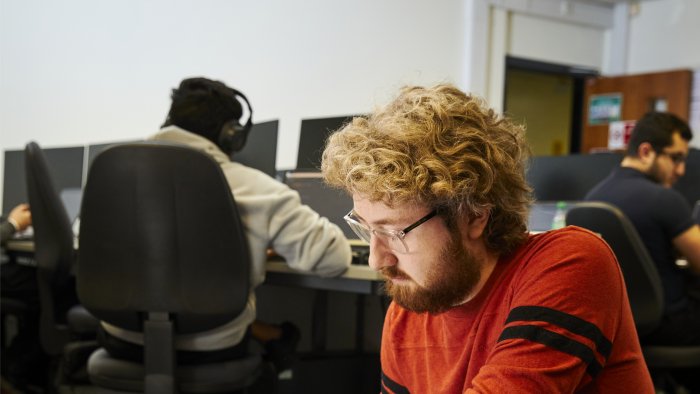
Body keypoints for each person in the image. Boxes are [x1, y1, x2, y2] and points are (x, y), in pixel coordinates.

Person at [321, 84, 653, 392]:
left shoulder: (572, 262)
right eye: (367, 228)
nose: (378, 259)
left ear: (474, 215)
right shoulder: (408, 309)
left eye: (394, 232)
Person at [98, 77, 352, 371]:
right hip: (211, 348)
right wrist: (256, 246)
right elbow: (334, 258)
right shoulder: (257, 189)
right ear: (232, 134)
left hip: (121, 339)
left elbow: (85, 240)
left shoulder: (113, 178)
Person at [585, 112, 700, 389]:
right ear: (646, 151)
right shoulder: (665, 199)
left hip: (615, 324)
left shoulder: (593, 197)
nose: (681, 170)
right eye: (676, 158)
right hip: (668, 323)